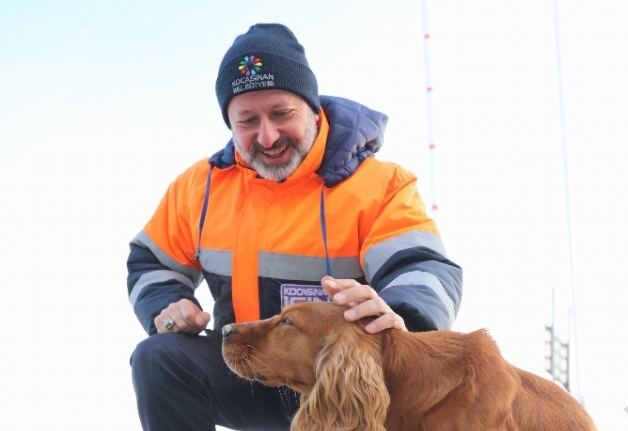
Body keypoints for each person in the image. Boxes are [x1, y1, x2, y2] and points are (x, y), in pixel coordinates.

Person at [127, 23, 462, 431]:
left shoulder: (381, 184)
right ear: (229, 124)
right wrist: (168, 306)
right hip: (249, 366)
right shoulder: (198, 188)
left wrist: (402, 314)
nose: (267, 136)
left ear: (312, 108)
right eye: (248, 120)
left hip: (343, 381)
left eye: (281, 114)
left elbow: (425, 268)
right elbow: (150, 262)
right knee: (157, 356)